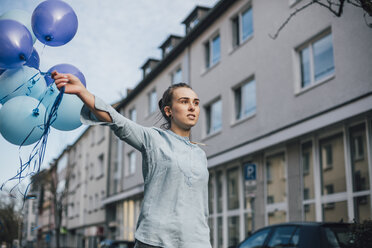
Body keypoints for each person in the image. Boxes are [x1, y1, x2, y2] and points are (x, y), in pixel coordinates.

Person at [52, 71, 212, 248]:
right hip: (155, 241)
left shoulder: (200, 154)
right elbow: (117, 121)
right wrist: (82, 92)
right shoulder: (153, 138)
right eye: (184, 102)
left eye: (196, 103)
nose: (192, 107)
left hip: (197, 242)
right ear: (169, 111)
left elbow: (201, 205)